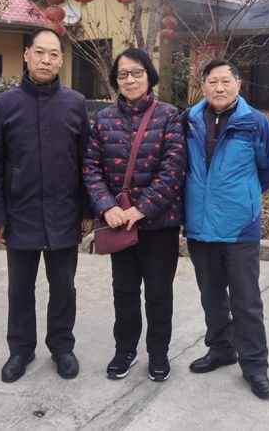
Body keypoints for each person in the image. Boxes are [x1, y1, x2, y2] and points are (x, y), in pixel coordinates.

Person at [0, 27, 93, 383]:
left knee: (64, 288)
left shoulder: (75, 104)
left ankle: (62, 347)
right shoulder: (4, 105)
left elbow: (86, 162)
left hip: (64, 213)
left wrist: (88, 209)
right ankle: (21, 349)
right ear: (26, 55)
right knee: (20, 288)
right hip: (20, 214)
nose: (46, 60)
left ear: (61, 61)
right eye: (40, 52)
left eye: (54, 54)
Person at [83, 48, 186, 382]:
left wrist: (141, 209)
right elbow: (91, 167)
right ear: (116, 80)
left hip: (159, 224)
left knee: (158, 293)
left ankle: (158, 353)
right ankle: (125, 350)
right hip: (118, 224)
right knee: (124, 291)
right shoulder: (104, 119)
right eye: (123, 74)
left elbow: (173, 170)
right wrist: (107, 206)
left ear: (149, 76)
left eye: (137, 72)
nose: (130, 79)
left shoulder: (169, 116)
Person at [183, 59, 269, 400]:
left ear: (239, 84)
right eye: (212, 81)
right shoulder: (189, 120)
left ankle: (255, 366)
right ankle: (221, 348)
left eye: (226, 81)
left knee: (246, 300)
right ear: (203, 86)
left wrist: (243, 198)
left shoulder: (255, 122)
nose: (219, 87)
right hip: (200, 226)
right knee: (211, 296)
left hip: (239, 227)